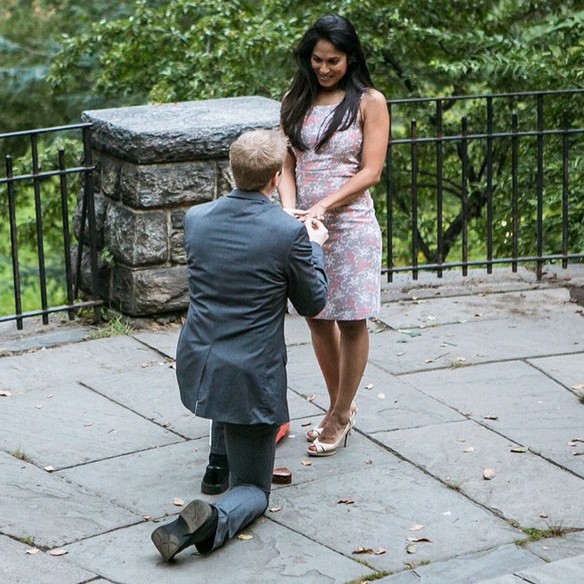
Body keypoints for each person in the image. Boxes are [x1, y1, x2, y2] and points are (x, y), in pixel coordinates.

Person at [150, 129, 328, 561]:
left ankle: (216, 465)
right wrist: (316, 247)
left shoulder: (197, 218)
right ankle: (213, 520)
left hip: (200, 360)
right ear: (274, 178)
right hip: (252, 373)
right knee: (253, 489)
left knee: (225, 386)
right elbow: (313, 301)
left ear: (233, 170)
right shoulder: (288, 233)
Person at [278, 14, 390, 457]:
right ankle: (337, 406)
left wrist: (325, 204)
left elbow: (371, 171)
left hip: (351, 225)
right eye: (317, 60)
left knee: (351, 317)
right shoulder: (295, 98)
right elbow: (287, 163)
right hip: (306, 227)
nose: (324, 69)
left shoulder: (370, 102)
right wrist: (290, 209)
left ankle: (341, 414)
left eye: (334, 61)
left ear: (351, 58)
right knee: (317, 316)